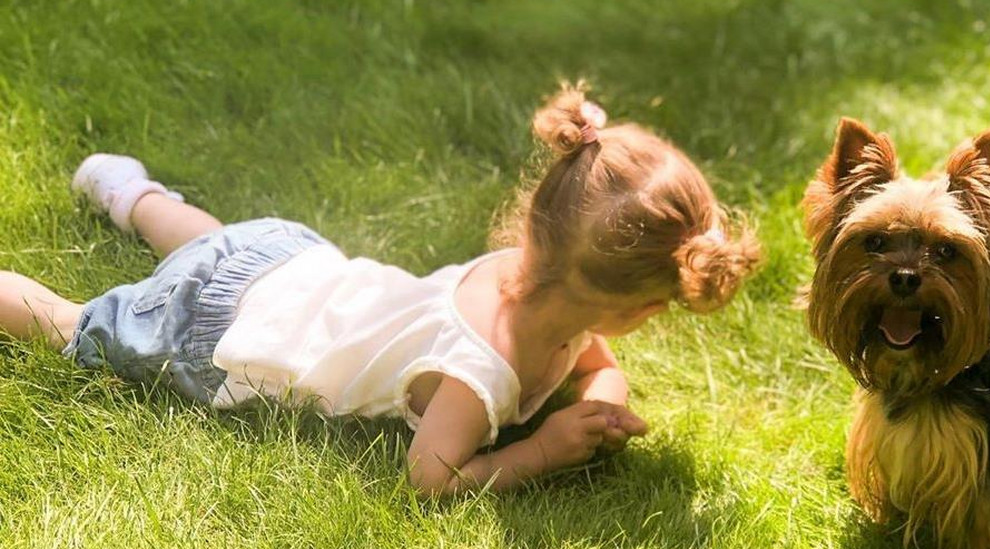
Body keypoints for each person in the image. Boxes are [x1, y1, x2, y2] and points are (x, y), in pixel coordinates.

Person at [0, 85, 761, 496]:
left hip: (286, 260)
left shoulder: (528, 282)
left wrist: (603, 392)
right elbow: (433, 477)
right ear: (641, 311)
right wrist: (544, 450)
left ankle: (130, 194)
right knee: (77, 329)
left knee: (209, 241)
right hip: (218, 337)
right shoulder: (478, 375)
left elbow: (589, 352)